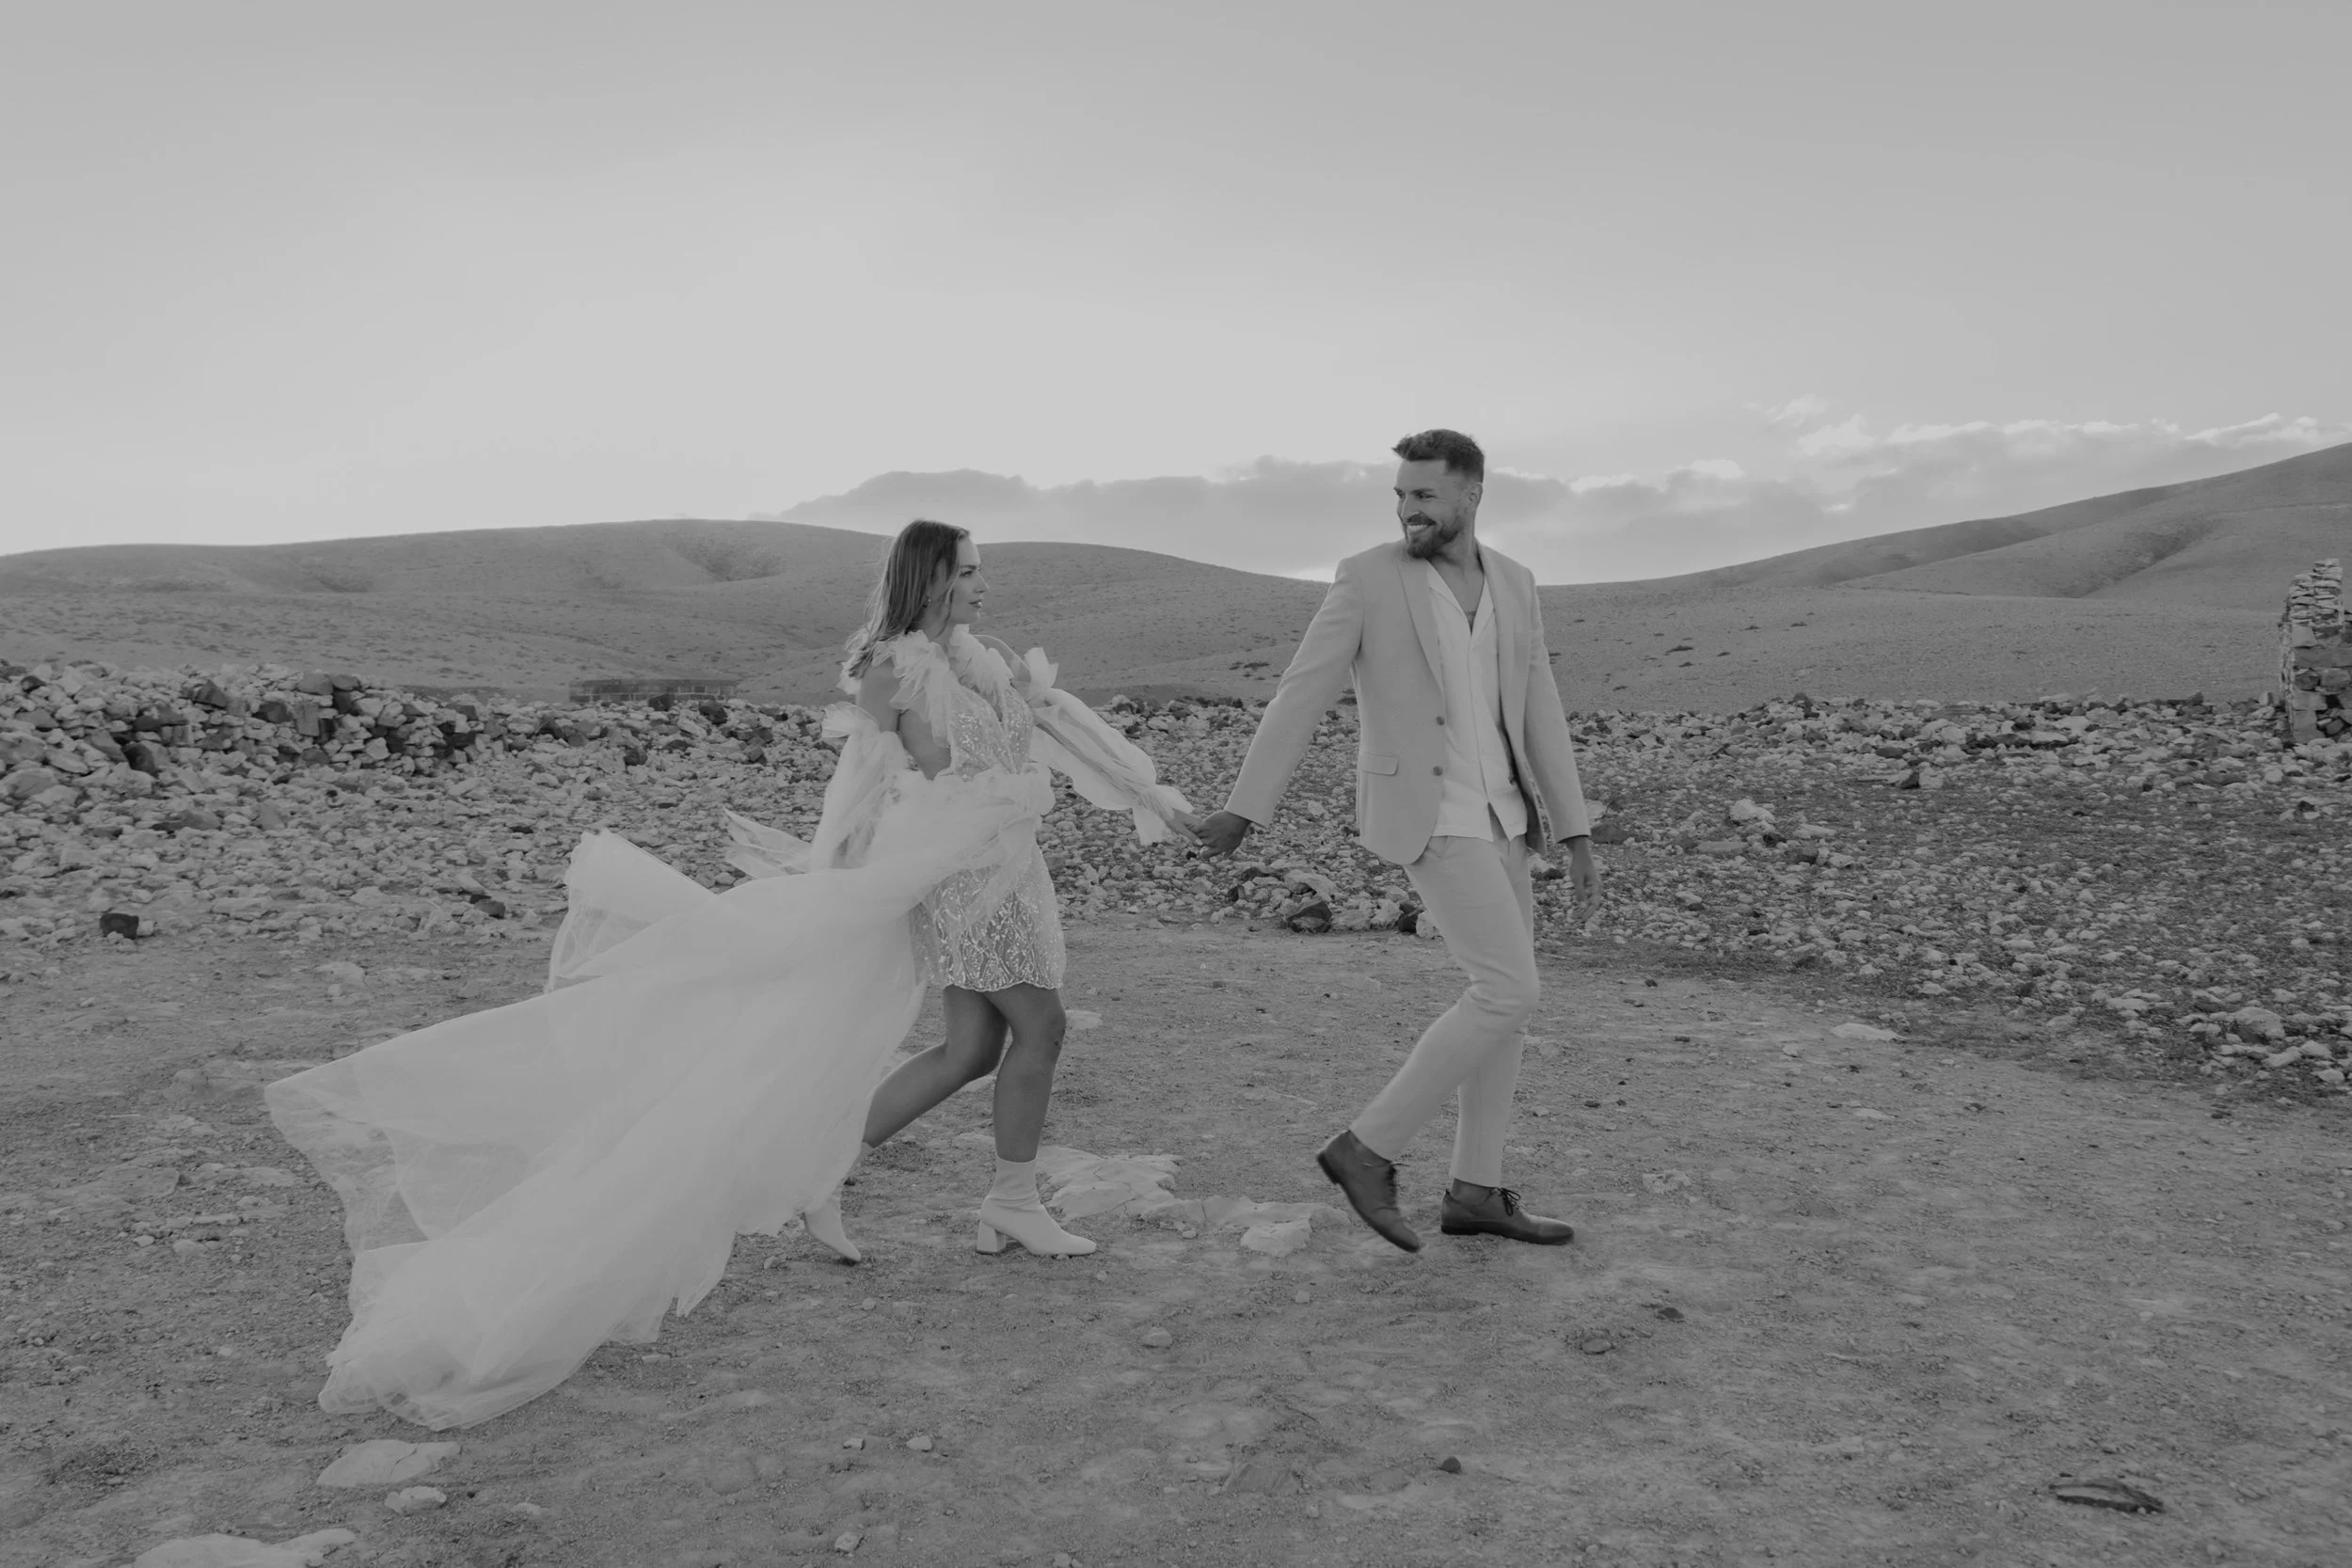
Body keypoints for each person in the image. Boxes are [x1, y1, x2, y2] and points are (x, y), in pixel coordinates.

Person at [265, 518, 1193, 1430]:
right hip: (960, 875)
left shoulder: (981, 658)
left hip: (1009, 864)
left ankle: (837, 1170)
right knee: (1040, 1027)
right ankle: (1011, 1200)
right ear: (933, 576)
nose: (986, 584)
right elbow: (866, 785)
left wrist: (1149, 794)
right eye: (972, 570)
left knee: (973, 1045)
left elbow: (1052, 735)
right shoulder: (893, 668)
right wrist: (835, 885)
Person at [1197, 429, 1601, 1253]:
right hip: (1429, 814)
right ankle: (1366, 1148)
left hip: (1505, 816)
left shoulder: (1516, 583)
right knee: (1508, 990)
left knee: (1504, 1011)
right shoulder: (1368, 577)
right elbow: (1302, 690)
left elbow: (1540, 708)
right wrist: (1245, 806)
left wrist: (1576, 831)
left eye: (1423, 495)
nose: (1407, 510)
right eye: (1400, 496)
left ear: (1472, 495)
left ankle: (1476, 1189)